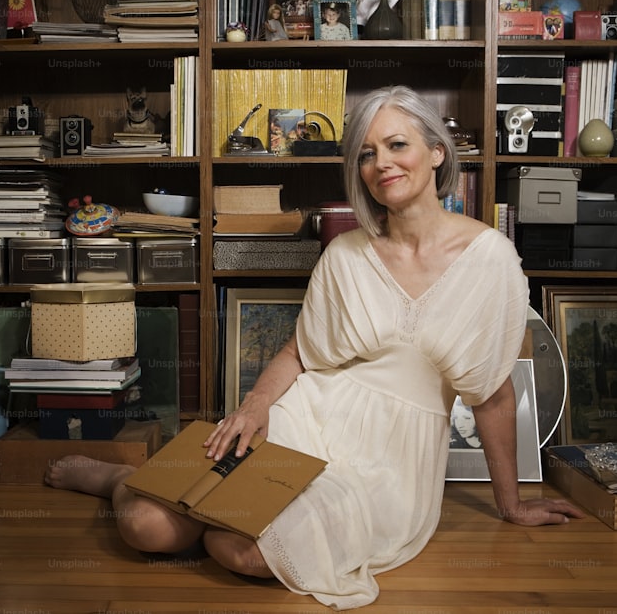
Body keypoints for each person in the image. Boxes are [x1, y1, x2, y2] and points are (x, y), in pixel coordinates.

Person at [46, 85, 583, 610]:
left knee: (240, 548)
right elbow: (300, 354)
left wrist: (511, 505)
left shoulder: (491, 258)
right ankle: (121, 480)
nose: (382, 164)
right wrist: (253, 409)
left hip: (389, 464)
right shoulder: (346, 253)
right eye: (367, 154)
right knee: (146, 527)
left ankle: (189, 511)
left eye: (397, 145)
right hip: (309, 416)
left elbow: (493, 395)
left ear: (436, 153)